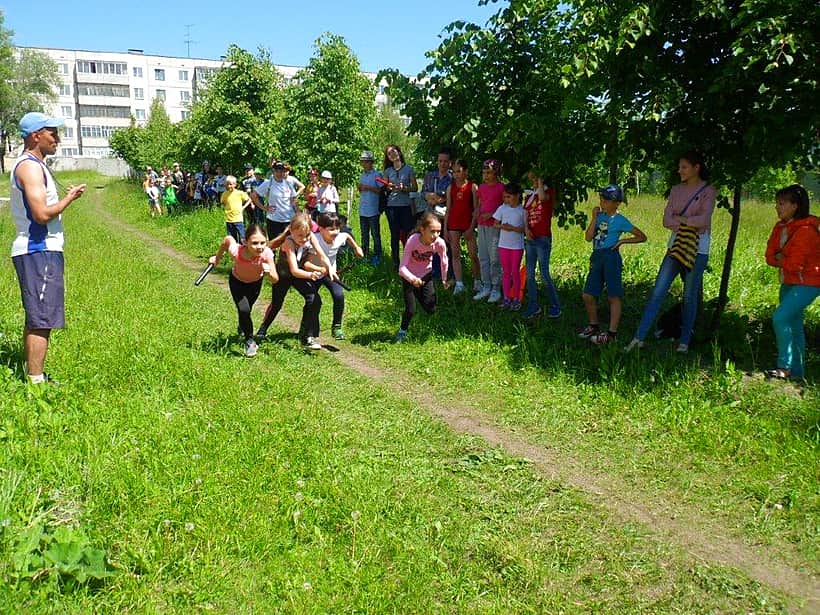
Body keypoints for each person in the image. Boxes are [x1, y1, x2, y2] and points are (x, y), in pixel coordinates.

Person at [10, 111, 86, 384]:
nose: (58, 139)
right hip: (38, 248)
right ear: (35, 136)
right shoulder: (30, 167)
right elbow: (41, 214)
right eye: (52, 133)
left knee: (37, 315)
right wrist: (69, 199)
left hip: (40, 250)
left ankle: (34, 376)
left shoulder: (34, 165)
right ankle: (36, 382)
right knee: (42, 317)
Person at [625, 151, 717, 353]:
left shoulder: (709, 190)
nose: (679, 171)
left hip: (698, 249)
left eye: (684, 167)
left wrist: (681, 220)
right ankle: (639, 337)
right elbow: (666, 220)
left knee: (690, 295)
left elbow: (704, 220)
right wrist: (690, 223)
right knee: (658, 291)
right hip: (675, 246)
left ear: (696, 168)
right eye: (679, 167)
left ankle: (684, 341)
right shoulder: (676, 190)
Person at [763, 184, 819, 380]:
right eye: (776, 203)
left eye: (781, 203)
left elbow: (795, 264)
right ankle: (797, 373)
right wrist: (781, 259)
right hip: (788, 281)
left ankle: (784, 367)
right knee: (795, 325)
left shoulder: (807, 230)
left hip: (809, 282)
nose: (777, 207)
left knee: (780, 318)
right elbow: (769, 257)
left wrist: (781, 258)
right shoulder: (779, 227)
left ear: (795, 206)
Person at [255, 213, 333, 350]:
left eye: (307, 235)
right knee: (277, 304)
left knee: (314, 300)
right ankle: (262, 330)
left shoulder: (310, 237)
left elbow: (322, 255)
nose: (304, 239)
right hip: (284, 276)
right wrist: (310, 275)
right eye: (300, 236)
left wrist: (329, 269)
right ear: (291, 231)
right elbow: (294, 270)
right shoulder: (288, 242)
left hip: (299, 276)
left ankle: (306, 335)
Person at [580, 184, 647, 344]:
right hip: (597, 256)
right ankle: (594, 326)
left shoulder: (620, 220)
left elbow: (642, 237)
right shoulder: (599, 216)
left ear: (616, 203)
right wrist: (594, 218)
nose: (602, 202)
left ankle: (612, 333)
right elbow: (588, 238)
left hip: (611, 257)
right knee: (588, 294)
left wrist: (623, 241)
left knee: (613, 296)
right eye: (601, 199)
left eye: (606, 200)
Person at [208, 224, 278, 357]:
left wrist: (269, 272)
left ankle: (243, 325)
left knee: (246, 311)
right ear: (245, 242)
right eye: (255, 243)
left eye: (263, 243)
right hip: (237, 283)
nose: (259, 247)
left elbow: (275, 279)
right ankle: (250, 341)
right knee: (244, 310)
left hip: (255, 285)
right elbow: (227, 240)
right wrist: (217, 258)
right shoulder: (237, 251)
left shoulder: (267, 254)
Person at [395, 212, 450, 343]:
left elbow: (444, 260)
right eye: (432, 231)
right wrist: (412, 279)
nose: (436, 235)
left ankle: (418, 293)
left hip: (426, 276)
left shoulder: (439, 243)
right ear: (422, 230)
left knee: (431, 308)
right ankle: (402, 331)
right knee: (411, 310)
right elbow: (402, 268)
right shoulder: (413, 240)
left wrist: (444, 279)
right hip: (409, 276)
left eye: (438, 232)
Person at [313, 212, 364, 340]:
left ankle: (337, 326)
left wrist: (356, 248)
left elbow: (347, 236)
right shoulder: (314, 239)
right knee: (313, 300)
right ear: (320, 229)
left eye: (337, 228)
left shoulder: (339, 237)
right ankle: (308, 325)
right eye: (331, 229)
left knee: (339, 295)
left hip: (331, 274)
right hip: (314, 273)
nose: (335, 232)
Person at [522, 171, 561, 319]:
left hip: (542, 238)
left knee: (544, 274)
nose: (532, 181)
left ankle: (555, 305)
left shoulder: (547, 192)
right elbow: (525, 214)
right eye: (532, 179)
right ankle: (533, 305)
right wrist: (526, 230)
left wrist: (540, 180)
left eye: (535, 178)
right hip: (530, 239)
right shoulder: (529, 195)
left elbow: (543, 198)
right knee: (530, 274)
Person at [444, 158, 480, 295]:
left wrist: (472, 227)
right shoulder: (450, 188)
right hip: (453, 224)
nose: (456, 175)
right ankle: (459, 284)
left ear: (465, 171)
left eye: (458, 171)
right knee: (455, 254)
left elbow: (476, 209)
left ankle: (477, 281)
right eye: (453, 172)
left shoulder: (472, 187)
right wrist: (445, 229)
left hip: (468, 225)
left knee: (473, 255)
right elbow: (448, 209)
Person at [473, 159, 505, 303]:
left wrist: (492, 214)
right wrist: (477, 212)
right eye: (484, 173)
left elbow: (506, 206)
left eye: (489, 173)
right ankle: (486, 286)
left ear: (496, 173)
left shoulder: (501, 188)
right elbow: (480, 203)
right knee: (483, 256)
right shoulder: (482, 187)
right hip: (482, 225)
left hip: (494, 226)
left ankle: (496, 288)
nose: (486, 175)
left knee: (494, 258)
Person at [492, 183, 527, 310]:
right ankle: (506, 297)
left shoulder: (523, 211)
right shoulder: (502, 208)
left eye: (509, 197)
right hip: (503, 245)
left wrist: (513, 228)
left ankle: (516, 298)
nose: (506, 200)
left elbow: (525, 229)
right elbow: (495, 223)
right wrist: (503, 226)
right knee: (506, 272)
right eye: (505, 197)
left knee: (515, 271)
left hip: (517, 246)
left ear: (517, 196)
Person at [383, 144, 417, 270]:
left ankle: (410, 262)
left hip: (405, 206)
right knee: (394, 235)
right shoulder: (387, 171)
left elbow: (415, 187)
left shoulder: (408, 169)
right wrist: (388, 187)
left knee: (408, 234)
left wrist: (404, 188)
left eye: (394, 151)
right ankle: (396, 263)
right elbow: (385, 187)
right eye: (389, 153)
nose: (392, 154)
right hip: (392, 206)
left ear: (399, 152)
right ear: (388, 157)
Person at [251, 161, 298, 239]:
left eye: (281, 171)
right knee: (274, 243)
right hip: (274, 219)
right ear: (273, 171)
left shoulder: (289, 183)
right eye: (277, 171)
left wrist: (298, 214)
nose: (279, 173)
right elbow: (253, 196)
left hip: (289, 219)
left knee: (289, 243)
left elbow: (294, 201)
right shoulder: (268, 183)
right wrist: (264, 208)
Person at [357, 150, 383, 264]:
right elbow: (361, 190)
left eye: (366, 161)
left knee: (375, 235)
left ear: (371, 162)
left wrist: (368, 188)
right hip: (363, 210)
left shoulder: (377, 174)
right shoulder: (362, 175)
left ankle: (378, 256)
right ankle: (365, 255)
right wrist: (360, 188)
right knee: (364, 235)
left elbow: (381, 191)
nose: (363, 163)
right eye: (362, 161)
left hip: (373, 210)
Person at [220, 175, 251, 243]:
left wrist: (243, 207)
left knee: (242, 237)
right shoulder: (224, 194)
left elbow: (249, 200)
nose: (229, 186)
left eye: (231, 184)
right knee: (232, 238)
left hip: (238, 219)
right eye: (227, 184)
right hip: (229, 220)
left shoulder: (239, 193)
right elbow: (223, 203)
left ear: (235, 184)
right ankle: (234, 249)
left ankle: (243, 248)